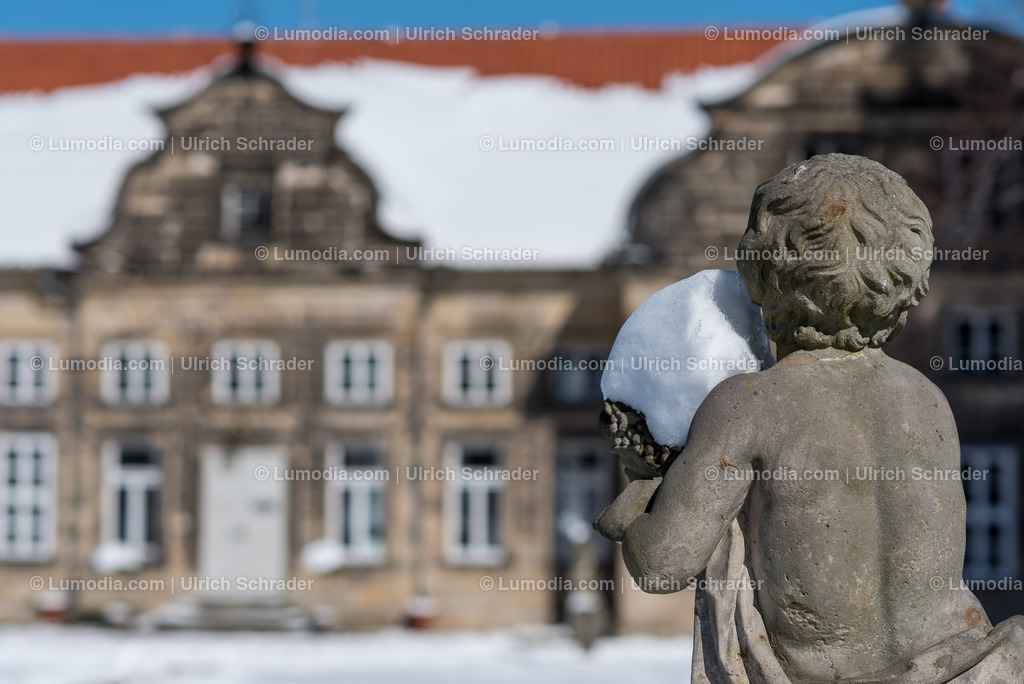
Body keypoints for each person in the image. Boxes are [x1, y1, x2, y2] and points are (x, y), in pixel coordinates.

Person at [595, 154, 1024, 683]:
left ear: (760, 270)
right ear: (908, 273)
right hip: (964, 663)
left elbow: (663, 566)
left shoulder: (749, 402)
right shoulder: (928, 399)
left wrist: (642, 485)